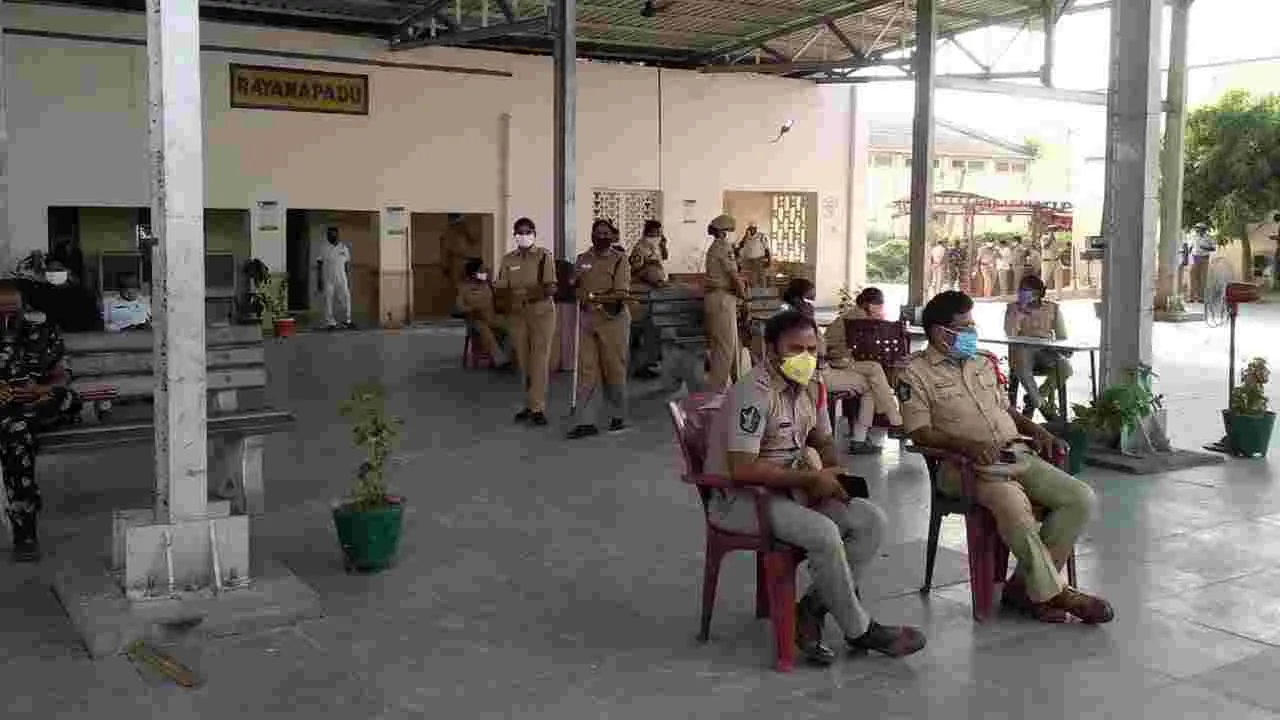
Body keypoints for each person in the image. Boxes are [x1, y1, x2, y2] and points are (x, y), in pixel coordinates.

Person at [705, 310, 927, 665]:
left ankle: (809, 610)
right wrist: (811, 479)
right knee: (824, 532)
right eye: (796, 349)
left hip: (791, 490)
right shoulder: (753, 392)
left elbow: (822, 439)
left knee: (870, 520)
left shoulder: (812, 386)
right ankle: (861, 630)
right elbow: (743, 468)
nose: (806, 358)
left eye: (812, 349)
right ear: (771, 349)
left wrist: (834, 470)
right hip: (743, 500)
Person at [900, 291, 1112, 625]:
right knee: (1012, 502)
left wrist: (1036, 429)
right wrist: (966, 446)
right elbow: (919, 432)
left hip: (1014, 453)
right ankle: (1054, 593)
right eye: (965, 326)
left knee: (1080, 498)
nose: (973, 332)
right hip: (959, 466)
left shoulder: (983, 361)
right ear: (942, 332)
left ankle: (1025, 589)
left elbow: (1005, 409)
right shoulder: (914, 373)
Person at [0, 281, 83, 561]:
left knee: (58, 402)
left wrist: (39, 390)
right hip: (10, 416)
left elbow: (62, 375)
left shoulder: (42, 333)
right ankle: (25, 530)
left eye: (12, 307)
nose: (7, 314)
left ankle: (25, 529)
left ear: (24, 308)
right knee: (16, 431)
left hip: (37, 404)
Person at [819, 286, 903, 454]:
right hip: (837, 361)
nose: (881, 308)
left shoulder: (854, 314)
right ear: (869, 304)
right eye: (878, 304)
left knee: (873, 380)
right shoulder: (860, 318)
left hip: (838, 362)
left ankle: (879, 427)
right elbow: (871, 348)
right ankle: (893, 421)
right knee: (875, 369)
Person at [567, 220, 632, 439]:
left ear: (612, 236)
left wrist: (595, 298)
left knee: (613, 369)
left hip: (612, 320)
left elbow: (621, 293)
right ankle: (586, 421)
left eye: (606, 233)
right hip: (587, 320)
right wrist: (574, 286)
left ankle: (617, 415)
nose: (602, 237)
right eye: (598, 233)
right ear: (592, 235)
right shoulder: (582, 259)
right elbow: (575, 285)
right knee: (587, 371)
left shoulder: (619, 259)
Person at [495, 217, 557, 426]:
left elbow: (550, 287)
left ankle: (538, 407)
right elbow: (502, 286)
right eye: (520, 232)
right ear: (514, 235)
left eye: (528, 231)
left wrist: (524, 294)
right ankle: (528, 405)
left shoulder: (543, 256)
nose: (524, 236)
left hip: (541, 314)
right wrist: (504, 296)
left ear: (534, 234)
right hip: (517, 315)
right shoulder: (508, 259)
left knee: (538, 360)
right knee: (522, 361)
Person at [1004, 275, 1072, 420]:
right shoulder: (1012, 308)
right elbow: (1010, 335)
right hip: (1022, 352)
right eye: (1021, 290)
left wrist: (1062, 349)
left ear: (1038, 292)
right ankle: (1042, 406)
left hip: (1045, 351)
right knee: (1022, 356)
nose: (1023, 293)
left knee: (1065, 368)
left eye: (1027, 290)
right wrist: (1019, 314)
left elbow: (1062, 337)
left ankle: (1034, 399)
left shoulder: (1052, 308)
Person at [704, 214, 747, 391]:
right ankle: (716, 392)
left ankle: (737, 386)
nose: (731, 233)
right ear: (723, 232)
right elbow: (733, 275)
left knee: (732, 347)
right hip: (721, 299)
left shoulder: (717, 247)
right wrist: (744, 296)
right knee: (724, 349)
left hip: (721, 299)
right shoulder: (723, 247)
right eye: (729, 230)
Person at [629, 220, 667, 379]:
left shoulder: (656, 245)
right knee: (642, 331)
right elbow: (635, 268)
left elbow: (664, 257)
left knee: (653, 331)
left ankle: (650, 363)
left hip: (654, 293)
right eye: (656, 232)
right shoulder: (640, 247)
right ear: (648, 232)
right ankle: (640, 366)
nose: (658, 235)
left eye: (660, 232)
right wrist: (650, 268)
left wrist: (664, 244)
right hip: (642, 294)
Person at [456, 259, 506, 367]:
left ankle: (512, 357)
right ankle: (500, 359)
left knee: (513, 327)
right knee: (484, 329)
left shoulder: (488, 285)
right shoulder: (464, 288)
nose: (484, 272)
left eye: (485, 270)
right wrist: (471, 310)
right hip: (475, 319)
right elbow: (460, 306)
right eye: (481, 270)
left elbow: (500, 299)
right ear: (473, 273)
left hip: (492, 317)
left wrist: (490, 282)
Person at [317, 227, 353, 330]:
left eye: (333, 234)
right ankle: (331, 323)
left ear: (337, 235)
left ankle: (347, 320)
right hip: (328, 279)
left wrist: (348, 278)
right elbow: (319, 263)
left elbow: (346, 265)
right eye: (329, 234)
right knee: (328, 301)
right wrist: (319, 279)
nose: (330, 236)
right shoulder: (323, 248)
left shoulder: (344, 248)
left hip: (342, 278)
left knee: (346, 298)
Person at [442, 213, 483, 288]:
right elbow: (446, 249)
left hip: (472, 260)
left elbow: (473, 240)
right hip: (461, 260)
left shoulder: (467, 225)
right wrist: (445, 266)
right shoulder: (449, 231)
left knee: (477, 282)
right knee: (462, 285)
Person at [735, 222, 772, 287]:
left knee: (761, 278)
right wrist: (745, 236)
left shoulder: (761, 236)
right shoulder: (746, 237)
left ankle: (762, 293)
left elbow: (766, 249)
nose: (752, 230)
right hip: (749, 261)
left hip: (759, 260)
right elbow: (740, 246)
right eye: (750, 228)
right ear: (748, 229)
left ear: (756, 229)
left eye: (753, 228)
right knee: (752, 279)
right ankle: (754, 293)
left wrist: (769, 260)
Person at [1188, 224, 1215, 302]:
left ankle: (1201, 298)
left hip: (1204, 258)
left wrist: (1205, 248)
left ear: (1204, 230)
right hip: (1194, 258)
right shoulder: (1193, 237)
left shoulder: (1209, 237)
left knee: (1203, 279)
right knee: (1192, 277)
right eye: (1197, 228)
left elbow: (1213, 248)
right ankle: (1191, 297)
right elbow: (1190, 248)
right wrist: (1189, 260)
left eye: (1199, 229)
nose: (1197, 230)